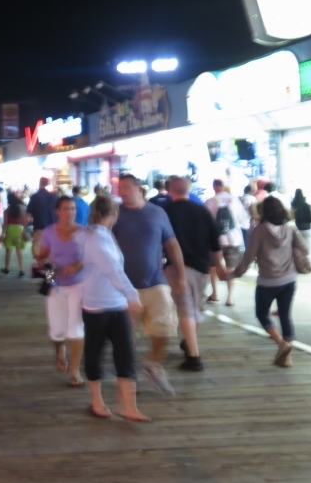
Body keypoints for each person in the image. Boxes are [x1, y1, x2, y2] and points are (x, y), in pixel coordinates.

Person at [112, 173, 187, 394]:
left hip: (156, 281)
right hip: (125, 285)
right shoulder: (115, 214)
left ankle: (153, 365)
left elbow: (172, 243)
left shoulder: (157, 213)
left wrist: (181, 276)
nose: (122, 191)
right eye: (120, 188)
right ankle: (127, 378)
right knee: (125, 336)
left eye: (126, 187)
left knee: (164, 330)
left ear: (139, 189)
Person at [80, 195, 147, 421]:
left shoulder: (102, 236)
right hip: (96, 305)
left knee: (125, 353)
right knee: (94, 353)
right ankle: (97, 401)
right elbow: (113, 270)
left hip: (115, 304)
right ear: (114, 214)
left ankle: (128, 406)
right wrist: (133, 295)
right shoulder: (94, 238)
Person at [230, 196, 307, 367]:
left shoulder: (260, 230)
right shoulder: (290, 229)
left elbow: (248, 257)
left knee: (262, 313)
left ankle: (281, 344)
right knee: (285, 315)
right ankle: (287, 358)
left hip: (268, 281)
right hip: (289, 279)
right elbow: (305, 248)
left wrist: (235, 273)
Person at [162, 177, 223, 372]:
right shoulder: (202, 210)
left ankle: (193, 357)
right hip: (201, 267)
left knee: (185, 310)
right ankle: (190, 342)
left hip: (176, 268)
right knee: (195, 307)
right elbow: (215, 241)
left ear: (170, 190)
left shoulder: (166, 212)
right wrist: (219, 266)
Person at [38, 195, 86, 385]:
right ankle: (59, 349)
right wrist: (44, 263)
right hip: (54, 282)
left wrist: (77, 264)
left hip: (78, 283)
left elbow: (91, 255)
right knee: (57, 328)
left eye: (73, 208)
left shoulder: (83, 232)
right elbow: (41, 257)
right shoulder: (49, 232)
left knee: (76, 327)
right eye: (66, 208)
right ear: (57, 211)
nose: (70, 212)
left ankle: (75, 370)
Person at [205, 179, 248, 307]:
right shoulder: (235, 200)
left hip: (215, 240)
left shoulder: (210, 202)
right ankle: (230, 297)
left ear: (214, 187)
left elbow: (206, 222)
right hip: (234, 239)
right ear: (224, 187)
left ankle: (215, 293)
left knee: (213, 267)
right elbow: (243, 219)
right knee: (231, 268)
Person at [26, 177, 59, 272]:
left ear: (40, 183)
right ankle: (48, 268)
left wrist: (24, 229)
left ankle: (42, 266)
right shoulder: (54, 196)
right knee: (50, 249)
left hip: (40, 228)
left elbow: (27, 214)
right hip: (53, 228)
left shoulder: (35, 197)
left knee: (36, 248)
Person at [2, 193, 28, 276]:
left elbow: (5, 223)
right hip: (19, 229)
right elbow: (24, 221)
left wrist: (3, 233)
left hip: (10, 229)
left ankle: (6, 268)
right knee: (19, 251)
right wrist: (24, 231)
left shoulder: (7, 211)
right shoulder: (21, 209)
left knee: (8, 251)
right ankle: (21, 270)